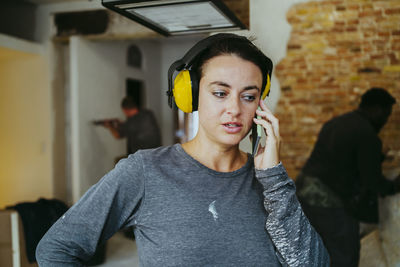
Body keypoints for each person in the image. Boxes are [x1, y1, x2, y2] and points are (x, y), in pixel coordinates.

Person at [36, 33, 329, 266]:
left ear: (260, 105)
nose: (234, 109)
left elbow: (312, 264)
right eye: (219, 92)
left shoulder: (270, 182)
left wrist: (274, 178)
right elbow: (57, 249)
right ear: (190, 95)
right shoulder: (144, 172)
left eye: (249, 96)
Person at [295, 87, 400, 267]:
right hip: (330, 202)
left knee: (314, 252)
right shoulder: (368, 135)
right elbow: (372, 181)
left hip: (303, 194)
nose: (385, 120)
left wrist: (378, 157)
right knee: (345, 255)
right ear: (376, 110)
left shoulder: (337, 123)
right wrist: (394, 186)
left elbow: (343, 158)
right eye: (386, 114)